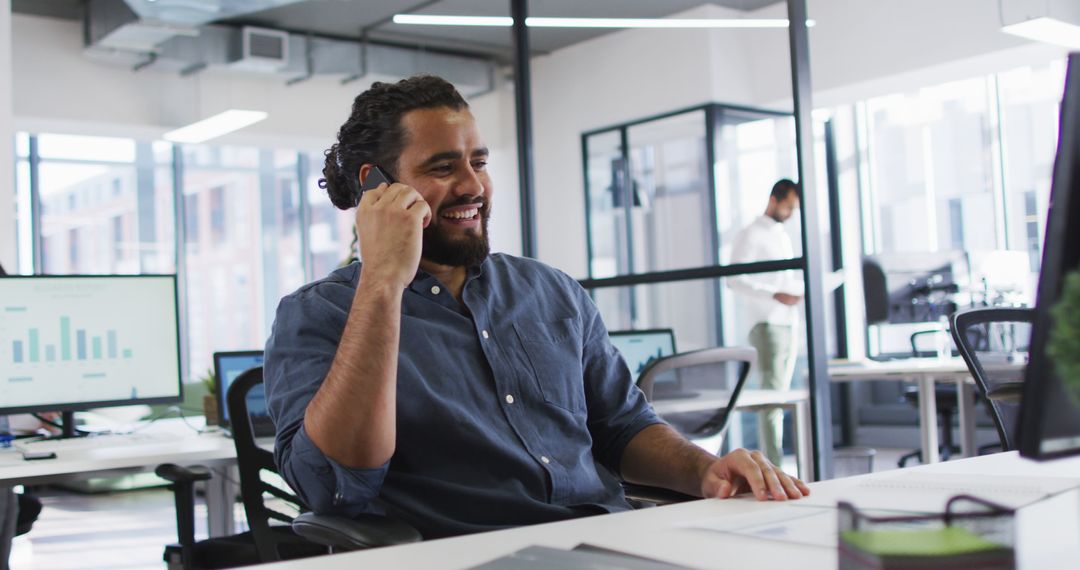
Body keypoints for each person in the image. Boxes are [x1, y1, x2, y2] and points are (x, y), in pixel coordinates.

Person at [264, 76, 809, 539]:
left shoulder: (550, 291)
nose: (473, 185)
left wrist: (708, 471)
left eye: (478, 161)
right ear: (376, 187)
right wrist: (382, 283)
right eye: (443, 167)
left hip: (602, 539)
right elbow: (331, 485)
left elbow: (621, 426)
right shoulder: (320, 315)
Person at [727, 179, 804, 467]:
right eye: (788, 206)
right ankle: (774, 466)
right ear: (774, 200)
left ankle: (776, 463)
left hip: (788, 321)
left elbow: (783, 279)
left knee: (780, 397)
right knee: (773, 399)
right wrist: (774, 294)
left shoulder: (782, 235)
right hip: (767, 322)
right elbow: (735, 279)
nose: (791, 213)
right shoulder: (750, 234)